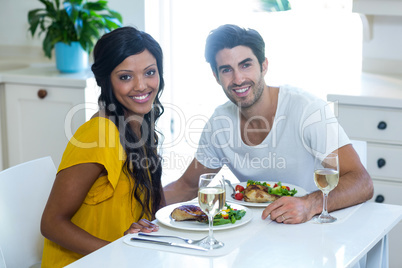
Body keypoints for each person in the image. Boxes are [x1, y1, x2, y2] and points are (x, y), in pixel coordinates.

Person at [164, 24, 373, 224]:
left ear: (264, 65)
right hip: (257, 231)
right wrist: (135, 211)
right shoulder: (220, 123)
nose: (238, 79)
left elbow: (362, 182)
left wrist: (309, 204)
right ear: (216, 77)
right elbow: (187, 186)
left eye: (246, 65)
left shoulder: (306, 109)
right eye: (226, 70)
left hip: (312, 226)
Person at [40, 26, 166, 267]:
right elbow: (51, 223)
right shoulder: (99, 134)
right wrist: (119, 254)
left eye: (150, 72)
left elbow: (152, 205)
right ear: (105, 80)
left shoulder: (141, 126)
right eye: (125, 76)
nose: (141, 86)